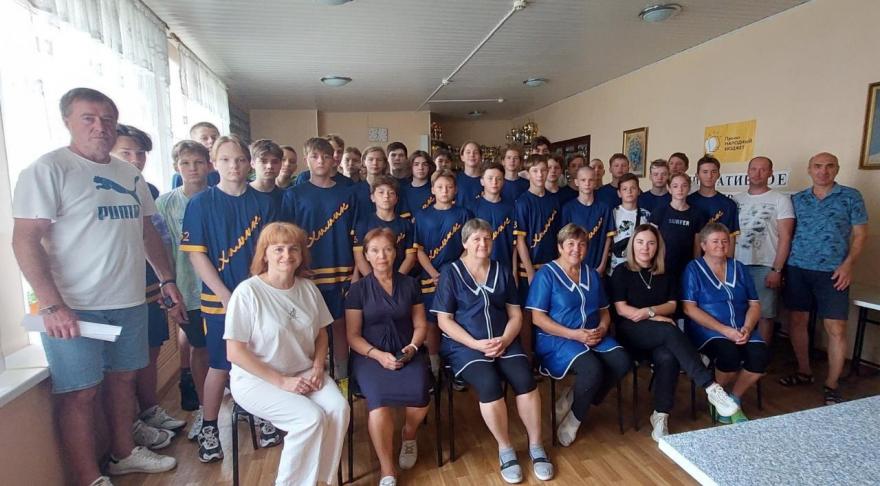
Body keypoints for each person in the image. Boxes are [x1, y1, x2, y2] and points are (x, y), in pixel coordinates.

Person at [12, 87, 182, 486]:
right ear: (67, 121)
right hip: (73, 307)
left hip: (128, 300)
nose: (99, 127)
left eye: (107, 119)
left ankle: (123, 453)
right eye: (88, 118)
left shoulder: (128, 174)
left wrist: (166, 279)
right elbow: (25, 240)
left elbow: (146, 231)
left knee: (123, 381)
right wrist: (52, 305)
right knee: (80, 393)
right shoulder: (48, 170)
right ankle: (89, 477)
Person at [225, 222, 349, 486]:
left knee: (339, 409)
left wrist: (318, 367)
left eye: (294, 249)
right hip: (257, 380)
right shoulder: (248, 292)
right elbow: (235, 352)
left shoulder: (308, 288)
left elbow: (321, 334)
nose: (287, 255)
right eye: (278, 249)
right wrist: (282, 382)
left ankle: (321, 481)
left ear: (302, 254)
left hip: (304, 371)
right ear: (264, 254)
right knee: (309, 419)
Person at [183, 134, 281, 462]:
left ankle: (263, 414)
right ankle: (210, 427)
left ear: (249, 163)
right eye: (225, 160)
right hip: (220, 301)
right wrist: (225, 295)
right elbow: (197, 255)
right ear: (214, 164)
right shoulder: (201, 203)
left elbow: (272, 253)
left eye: (239, 159)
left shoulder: (264, 203)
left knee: (262, 358)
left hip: (260, 297)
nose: (233, 166)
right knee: (221, 364)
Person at [433, 219, 554, 484]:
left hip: (503, 340)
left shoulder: (502, 270)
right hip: (465, 346)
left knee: (525, 379)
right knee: (489, 384)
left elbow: (515, 314)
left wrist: (505, 339)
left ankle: (536, 446)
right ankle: (505, 448)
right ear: (465, 243)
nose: (482, 243)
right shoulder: (450, 272)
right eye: (476, 239)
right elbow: (444, 320)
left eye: (487, 238)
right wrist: (476, 344)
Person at [610, 224, 740, 441]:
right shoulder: (621, 272)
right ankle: (710, 386)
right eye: (640, 242)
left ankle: (660, 415)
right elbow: (622, 310)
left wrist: (650, 312)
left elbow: (672, 305)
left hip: (661, 335)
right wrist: (654, 316)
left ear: (657, 247)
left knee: (668, 357)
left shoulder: (665, 272)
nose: (645, 248)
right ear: (632, 245)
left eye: (651, 243)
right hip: (631, 333)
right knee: (669, 330)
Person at [112, 124, 185, 448]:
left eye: (140, 153)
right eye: (126, 152)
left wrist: (167, 279)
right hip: (115, 293)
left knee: (150, 352)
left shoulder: (147, 190)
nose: (135, 159)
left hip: (150, 284)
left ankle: (150, 410)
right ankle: (130, 429)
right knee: (123, 366)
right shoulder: (100, 188)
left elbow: (156, 239)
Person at [526, 224, 630, 447]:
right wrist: (574, 334)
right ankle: (574, 420)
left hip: (592, 334)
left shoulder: (592, 274)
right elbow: (537, 318)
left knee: (622, 361)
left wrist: (603, 328)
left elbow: (604, 310)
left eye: (582, 244)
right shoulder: (546, 275)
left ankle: (575, 398)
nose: (576, 249)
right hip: (557, 338)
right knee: (592, 369)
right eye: (571, 244)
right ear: (560, 247)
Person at [346, 228, 431, 486]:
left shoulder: (410, 284)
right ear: (366, 255)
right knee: (379, 403)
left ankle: (408, 435)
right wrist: (378, 356)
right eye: (375, 250)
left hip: (407, 351)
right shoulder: (358, 290)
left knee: (420, 394)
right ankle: (387, 470)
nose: (381, 256)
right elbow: (352, 336)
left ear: (395, 253)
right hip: (370, 356)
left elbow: (420, 325)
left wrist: (413, 348)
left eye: (387, 249)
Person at [781, 152, 867, 404]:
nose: (823, 171)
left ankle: (831, 383)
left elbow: (861, 235)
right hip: (797, 268)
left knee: (836, 328)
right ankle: (804, 371)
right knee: (797, 321)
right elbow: (787, 233)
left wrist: (848, 265)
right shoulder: (798, 199)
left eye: (829, 166)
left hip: (834, 272)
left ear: (836, 169)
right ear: (809, 170)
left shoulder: (850, 196)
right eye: (817, 166)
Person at [282, 137, 358, 379]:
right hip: (307, 272)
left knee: (340, 325)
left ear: (334, 159)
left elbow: (358, 238)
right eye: (315, 156)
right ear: (307, 159)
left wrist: (356, 272)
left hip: (342, 270)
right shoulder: (294, 194)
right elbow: (288, 238)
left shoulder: (348, 194)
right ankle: (310, 375)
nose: (321, 161)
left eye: (326, 156)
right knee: (307, 327)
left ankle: (342, 377)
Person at [682, 223, 767, 422]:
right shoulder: (693, 269)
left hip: (741, 328)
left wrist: (747, 327)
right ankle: (717, 398)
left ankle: (733, 398)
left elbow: (754, 304)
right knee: (729, 355)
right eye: (715, 241)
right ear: (703, 245)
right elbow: (689, 308)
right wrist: (725, 330)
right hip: (707, 330)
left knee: (760, 356)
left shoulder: (740, 268)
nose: (720, 245)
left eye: (724, 241)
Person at [156, 140, 211, 441]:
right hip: (187, 289)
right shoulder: (165, 204)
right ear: (177, 167)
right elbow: (161, 250)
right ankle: (205, 408)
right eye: (186, 163)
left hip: (222, 288)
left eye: (199, 162)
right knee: (199, 348)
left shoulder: (219, 198)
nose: (193, 169)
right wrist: (168, 288)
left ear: (209, 165)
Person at [414, 169, 472, 377]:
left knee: (457, 319)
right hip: (431, 277)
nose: (444, 190)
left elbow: (468, 247)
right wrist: (433, 273)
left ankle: (457, 366)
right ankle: (434, 367)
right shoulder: (422, 215)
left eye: (449, 187)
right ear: (432, 190)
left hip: (457, 275)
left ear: (455, 190)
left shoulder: (464, 214)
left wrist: (451, 272)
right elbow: (418, 249)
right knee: (432, 322)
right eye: (440, 187)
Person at [733, 156, 795, 343]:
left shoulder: (780, 200)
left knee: (765, 315)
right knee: (737, 311)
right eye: (753, 169)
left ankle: (760, 355)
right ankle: (738, 351)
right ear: (747, 172)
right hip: (737, 265)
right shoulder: (736, 200)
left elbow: (786, 237)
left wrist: (777, 269)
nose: (757, 173)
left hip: (766, 266)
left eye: (763, 169)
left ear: (770, 173)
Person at [514, 154, 561, 355]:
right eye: (535, 171)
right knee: (528, 313)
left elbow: (559, 235)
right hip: (529, 268)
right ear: (528, 174)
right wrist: (530, 271)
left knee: (550, 311)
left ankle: (548, 354)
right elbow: (520, 240)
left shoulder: (554, 200)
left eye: (543, 170)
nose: (540, 174)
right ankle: (528, 357)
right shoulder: (522, 202)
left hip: (550, 266)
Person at [353, 176, 417, 276]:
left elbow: (410, 258)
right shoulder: (363, 224)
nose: (386, 196)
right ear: (372, 197)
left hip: (400, 279)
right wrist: (374, 282)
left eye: (391, 193)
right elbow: (359, 258)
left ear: (396, 199)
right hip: (371, 280)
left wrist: (397, 280)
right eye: (381, 192)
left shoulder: (406, 225)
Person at [650, 173, 705, 281]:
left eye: (684, 186)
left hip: (686, 267)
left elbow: (697, 246)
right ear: (669, 188)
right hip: (662, 266)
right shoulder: (660, 211)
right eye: (675, 186)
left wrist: (696, 267)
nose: (680, 189)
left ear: (689, 188)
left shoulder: (697, 214)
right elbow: (652, 239)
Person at [561, 165, 614, 274]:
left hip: (597, 267)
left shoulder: (604, 208)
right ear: (576, 182)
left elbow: (608, 238)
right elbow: (563, 240)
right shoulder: (568, 208)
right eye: (583, 180)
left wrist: (602, 264)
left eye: (591, 180)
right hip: (573, 268)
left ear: (595, 182)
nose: (587, 183)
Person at [687, 155, 739, 255]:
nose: (709, 176)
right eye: (705, 172)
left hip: (718, 259)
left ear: (719, 175)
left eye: (713, 172)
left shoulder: (729, 204)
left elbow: (731, 238)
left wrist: (729, 263)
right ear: (697, 175)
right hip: (688, 259)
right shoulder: (687, 202)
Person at [471, 162, 517, 271]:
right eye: (490, 178)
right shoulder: (472, 208)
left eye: (498, 179)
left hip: (505, 267)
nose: (494, 182)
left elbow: (515, 243)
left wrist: (514, 270)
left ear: (504, 181)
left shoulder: (512, 207)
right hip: (478, 268)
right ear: (482, 181)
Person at [609, 173, 651, 274]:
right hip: (616, 265)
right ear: (619, 193)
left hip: (639, 265)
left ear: (639, 191)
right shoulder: (612, 213)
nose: (629, 192)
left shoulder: (646, 215)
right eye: (625, 189)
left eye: (633, 188)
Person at [172, 122, 220, 188]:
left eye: (214, 137)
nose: (211, 141)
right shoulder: (181, 176)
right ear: (194, 142)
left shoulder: (226, 169)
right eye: (204, 138)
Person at [249, 139, 285, 209]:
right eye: (263, 161)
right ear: (252, 163)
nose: (269, 166)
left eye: (275, 162)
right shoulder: (241, 194)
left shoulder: (286, 197)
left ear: (280, 164)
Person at [400, 150, 435, 221]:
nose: (420, 168)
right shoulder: (403, 191)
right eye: (416, 164)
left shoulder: (435, 189)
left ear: (429, 167)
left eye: (424, 164)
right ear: (410, 167)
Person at [455, 141, 484, 211]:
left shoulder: (487, 180)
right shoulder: (455, 178)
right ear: (462, 157)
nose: (472, 155)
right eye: (468, 152)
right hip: (460, 217)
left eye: (475, 152)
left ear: (481, 157)